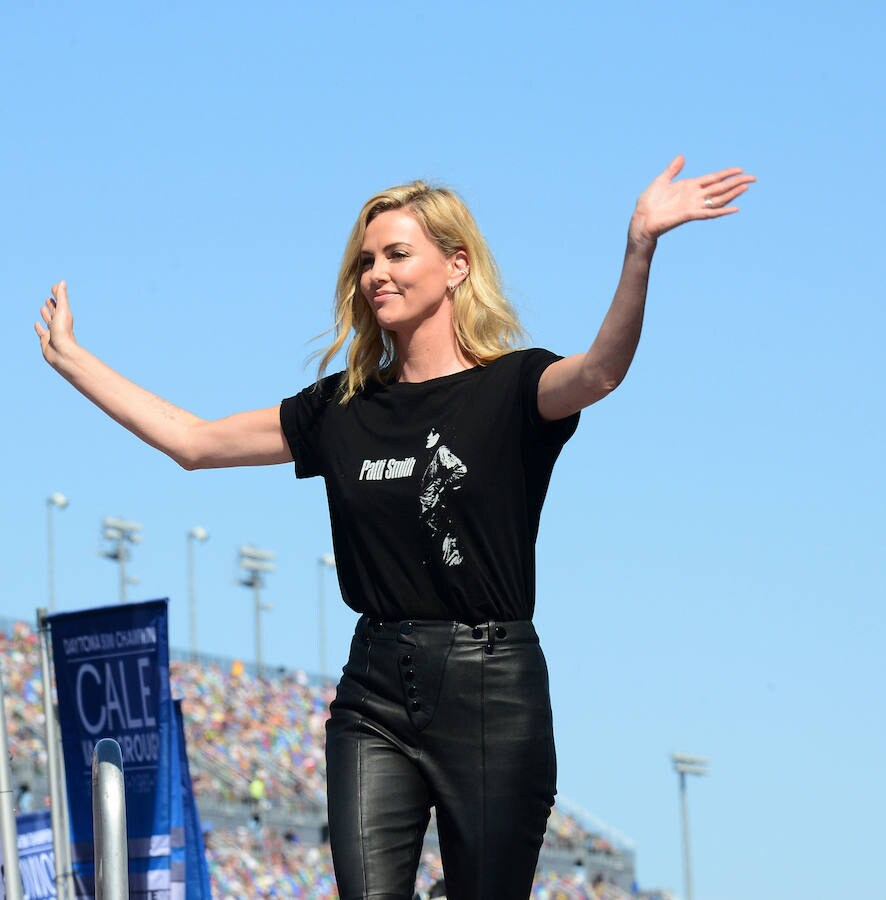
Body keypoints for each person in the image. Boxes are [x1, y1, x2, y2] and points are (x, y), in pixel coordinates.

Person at [34, 155, 753, 900]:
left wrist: (640, 244)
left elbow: (601, 371)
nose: (377, 272)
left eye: (398, 254)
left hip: (492, 688)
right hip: (374, 689)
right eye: (366, 260)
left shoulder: (511, 388)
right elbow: (194, 442)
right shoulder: (342, 409)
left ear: (455, 266)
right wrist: (75, 362)